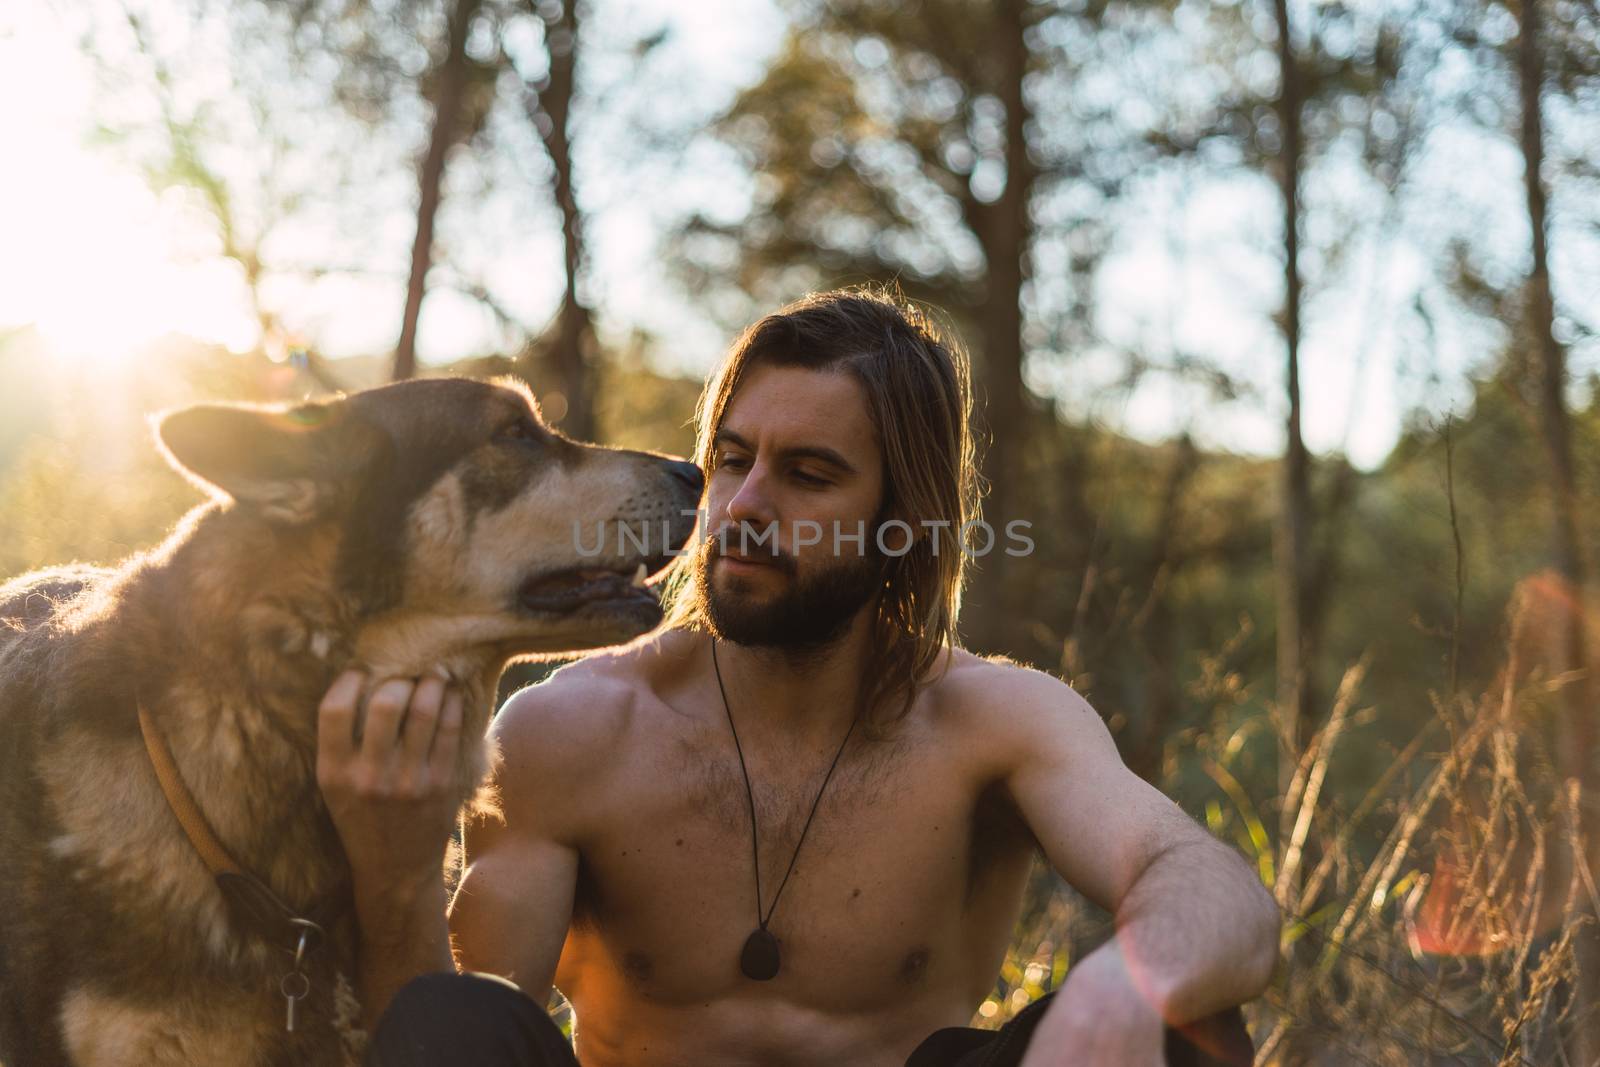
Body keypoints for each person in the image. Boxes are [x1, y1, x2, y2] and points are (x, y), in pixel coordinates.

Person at [316, 289, 1280, 1067]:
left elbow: (1218, 893)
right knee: (456, 1016)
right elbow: (436, 1040)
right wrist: (396, 875)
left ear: (903, 517)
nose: (741, 507)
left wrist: (1124, 987)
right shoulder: (570, 731)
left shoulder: (993, 722)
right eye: (732, 460)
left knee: (1181, 1033)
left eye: (810, 475)